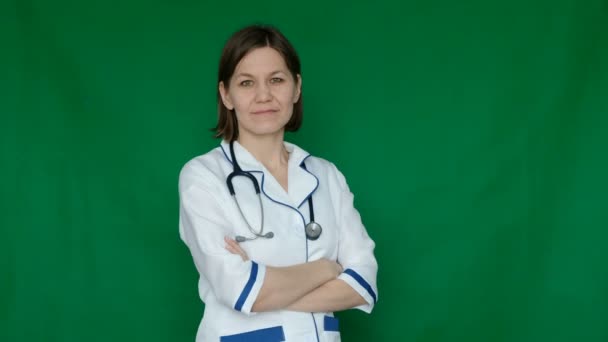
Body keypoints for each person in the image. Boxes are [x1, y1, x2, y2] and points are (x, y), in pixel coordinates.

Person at [178, 24, 378, 342]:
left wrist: (264, 287)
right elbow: (239, 290)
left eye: (276, 79)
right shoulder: (203, 176)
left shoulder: (326, 175)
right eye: (246, 83)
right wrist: (326, 270)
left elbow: (363, 281)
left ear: (296, 88)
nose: (264, 95)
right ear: (226, 95)